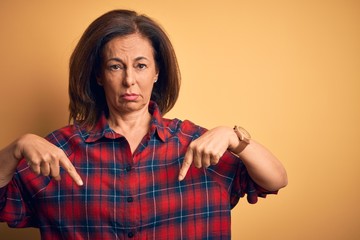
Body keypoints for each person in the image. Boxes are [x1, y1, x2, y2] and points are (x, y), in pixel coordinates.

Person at [0, 9, 287, 239]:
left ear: (157, 72)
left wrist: (234, 137)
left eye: (140, 65)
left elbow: (276, 180)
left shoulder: (198, 145)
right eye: (115, 66)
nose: (129, 80)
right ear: (98, 75)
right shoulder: (57, 152)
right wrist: (16, 148)